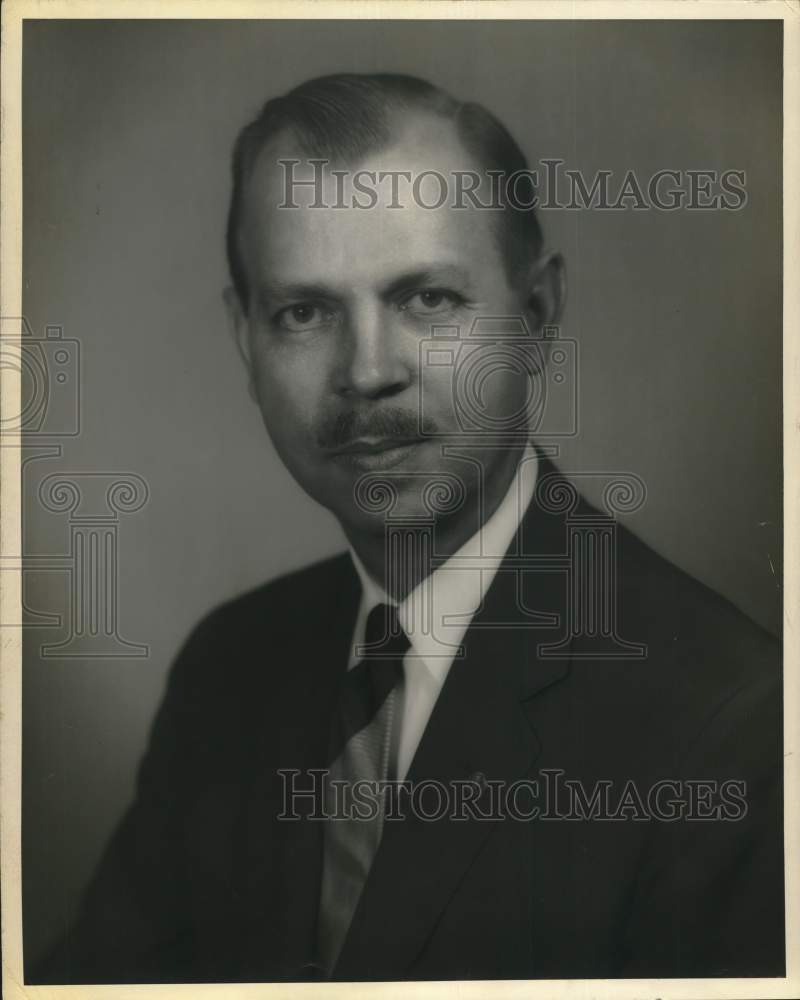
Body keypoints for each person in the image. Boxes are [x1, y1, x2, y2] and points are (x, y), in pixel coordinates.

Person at [32, 73, 783, 984]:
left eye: (427, 299)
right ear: (244, 339)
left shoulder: (734, 727)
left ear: (536, 318)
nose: (368, 372)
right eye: (303, 313)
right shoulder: (228, 670)